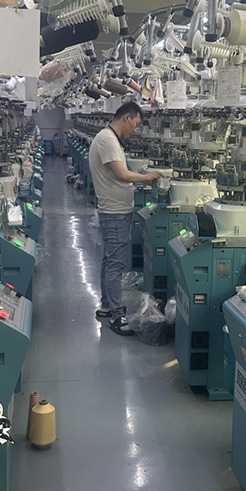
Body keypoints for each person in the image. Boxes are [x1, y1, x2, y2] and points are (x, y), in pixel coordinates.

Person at [88, 102, 163, 335]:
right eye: (136, 124)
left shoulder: (109, 138)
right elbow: (121, 174)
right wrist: (145, 177)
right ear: (127, 118)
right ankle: (117, 316)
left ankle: (107, 305)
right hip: (115, 212)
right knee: (116, 264)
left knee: (110, 259)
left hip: (115, 210)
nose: (135, 130)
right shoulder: (107, 140)